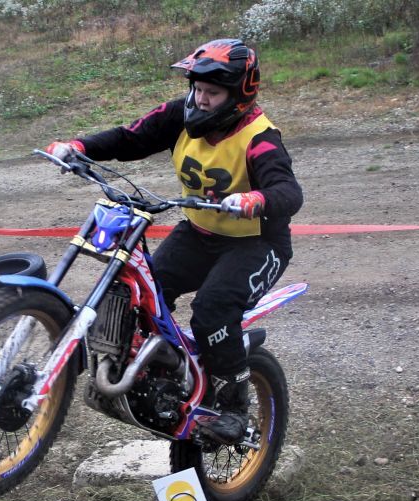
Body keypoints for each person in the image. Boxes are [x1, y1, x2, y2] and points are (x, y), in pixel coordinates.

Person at [46, 38, 302, 444]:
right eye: (197, 88)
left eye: (212, 92)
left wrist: (256, 199)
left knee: (213, 310)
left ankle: (234, 408)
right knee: (135, 291)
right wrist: (79, 147)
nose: (201, 99)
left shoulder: (260, 138)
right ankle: (155, 378)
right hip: (199, 234)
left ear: (239, 95)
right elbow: (131, 137)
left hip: (256, 244)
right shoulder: (180, 115)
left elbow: (288, 191)